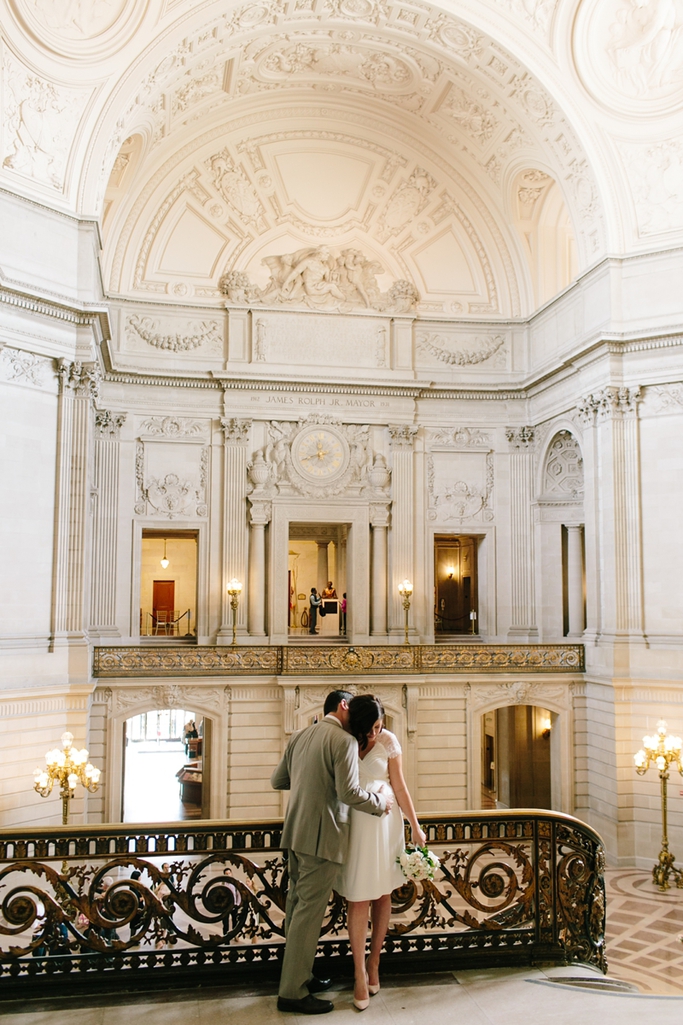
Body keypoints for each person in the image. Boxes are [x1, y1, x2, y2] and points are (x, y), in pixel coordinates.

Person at [271, 690, 394, 1015]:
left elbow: (278, 780)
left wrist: (309, 783)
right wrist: (381, 804)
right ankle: (292, 992)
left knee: (297, 909)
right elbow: (348, 792)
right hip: (322, 837)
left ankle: (302, 976)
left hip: (294, 831)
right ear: (343, 706)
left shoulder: (301, 734)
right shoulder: (343, 741)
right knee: (308, 916)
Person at [338, 695, 425, 1011]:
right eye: (372, 727)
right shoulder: (344, 738)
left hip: (385, 824)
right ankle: (358, 972)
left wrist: (415, 825)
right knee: (358, 895)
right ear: (359, 726)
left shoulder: (388, 741)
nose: (377, 731)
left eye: (380, 726)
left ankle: (374, 961)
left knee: (383, 893)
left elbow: (399, 786)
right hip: (354, 824)